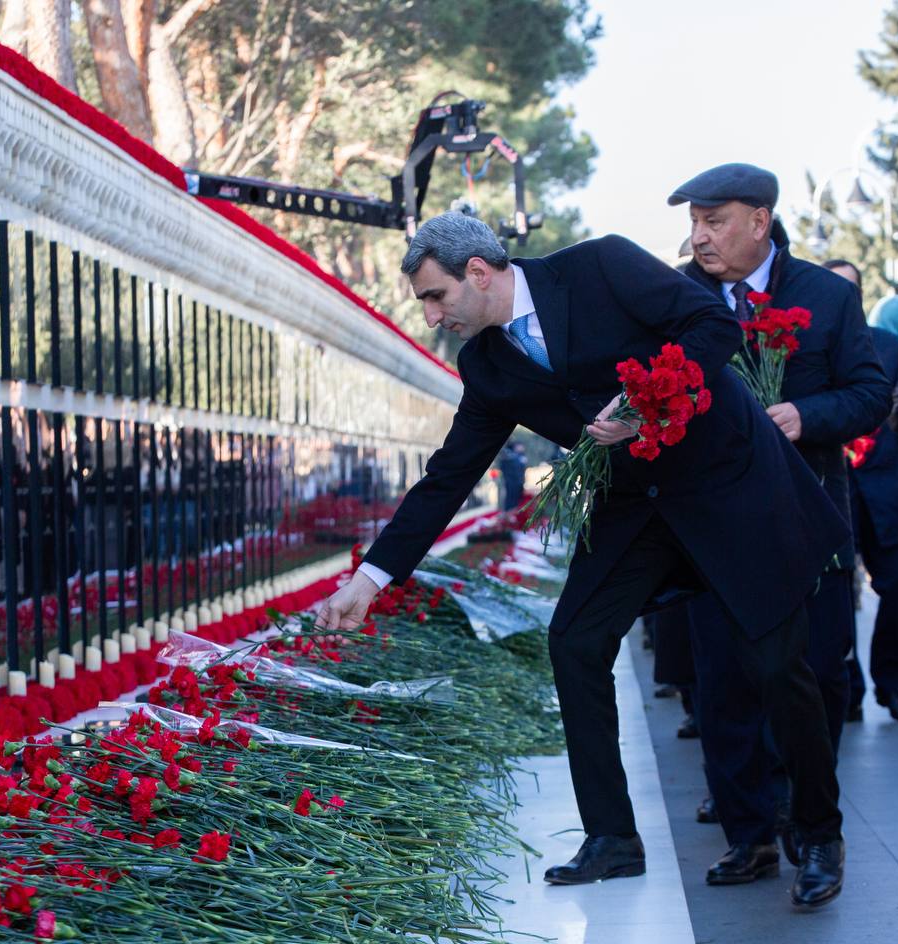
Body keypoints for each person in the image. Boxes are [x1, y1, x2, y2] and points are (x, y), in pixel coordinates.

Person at [316, 209, 851, 908]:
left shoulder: (601, 267)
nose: (431, 315)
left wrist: (644, 407)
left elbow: (714, 328)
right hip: (637, 504)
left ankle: (817, 834)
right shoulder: (485, 362)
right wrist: (371, 577)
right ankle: (612, 839)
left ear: (478, 272)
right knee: (574, 642)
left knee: (778, 664)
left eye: (435, 295)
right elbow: (450, 475)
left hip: (730, 485)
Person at [671, 164, 890, 888]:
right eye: (694, 222)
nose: (699, 236)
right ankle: (750, 834)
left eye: (714, 220)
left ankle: (816, 829)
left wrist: (804, 416)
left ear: (760, 221)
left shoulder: (826, 297)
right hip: (712, 532)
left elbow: (869, 393)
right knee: (722, 685)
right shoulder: (677, 298)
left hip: (808, 522)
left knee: (814, 676)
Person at [851, 292, 898, 721]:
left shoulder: (888, 346)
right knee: (838, 596)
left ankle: (890, 683)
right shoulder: (806, 342)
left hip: (885, 485)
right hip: (835, 488)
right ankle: (848, 687)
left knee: (897, 586)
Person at [498, 442, 527, 511]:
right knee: (511, 500)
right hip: (511, 482)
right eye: (519, 446)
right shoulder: (509, 457)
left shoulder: (520, 456)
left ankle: (515, 513)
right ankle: (509, 514)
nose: (522, 448)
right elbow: (504, 468)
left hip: (519, 482)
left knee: (518, 500)